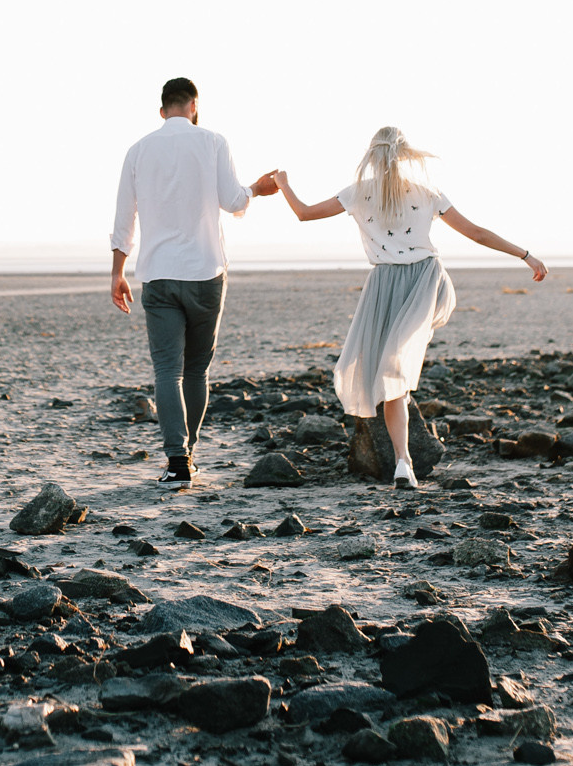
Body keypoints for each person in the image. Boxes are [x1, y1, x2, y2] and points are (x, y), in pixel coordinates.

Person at [272, 128, 545, 488]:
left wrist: (283, 183)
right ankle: (403, 464)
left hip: (387, 284)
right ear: (404, 154)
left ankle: (404, 461)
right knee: (393, 376)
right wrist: (526, 255)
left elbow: (304, 214)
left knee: (392, 375)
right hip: (425, 280)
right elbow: (476, 233)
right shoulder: (425, 192)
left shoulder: (357, 192)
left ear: (372, 154)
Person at [110, 77, 279, 487]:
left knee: (167, 370)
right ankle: (190, 452)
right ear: (194, 107)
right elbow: (234, 201)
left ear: (162, 109)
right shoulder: (213, 141)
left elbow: (123, 217)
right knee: (197, 369)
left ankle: (176, 462)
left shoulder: (138, 150)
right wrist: (258, 188)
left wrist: (117, 272)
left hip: (158, 273)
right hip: (205, 271)